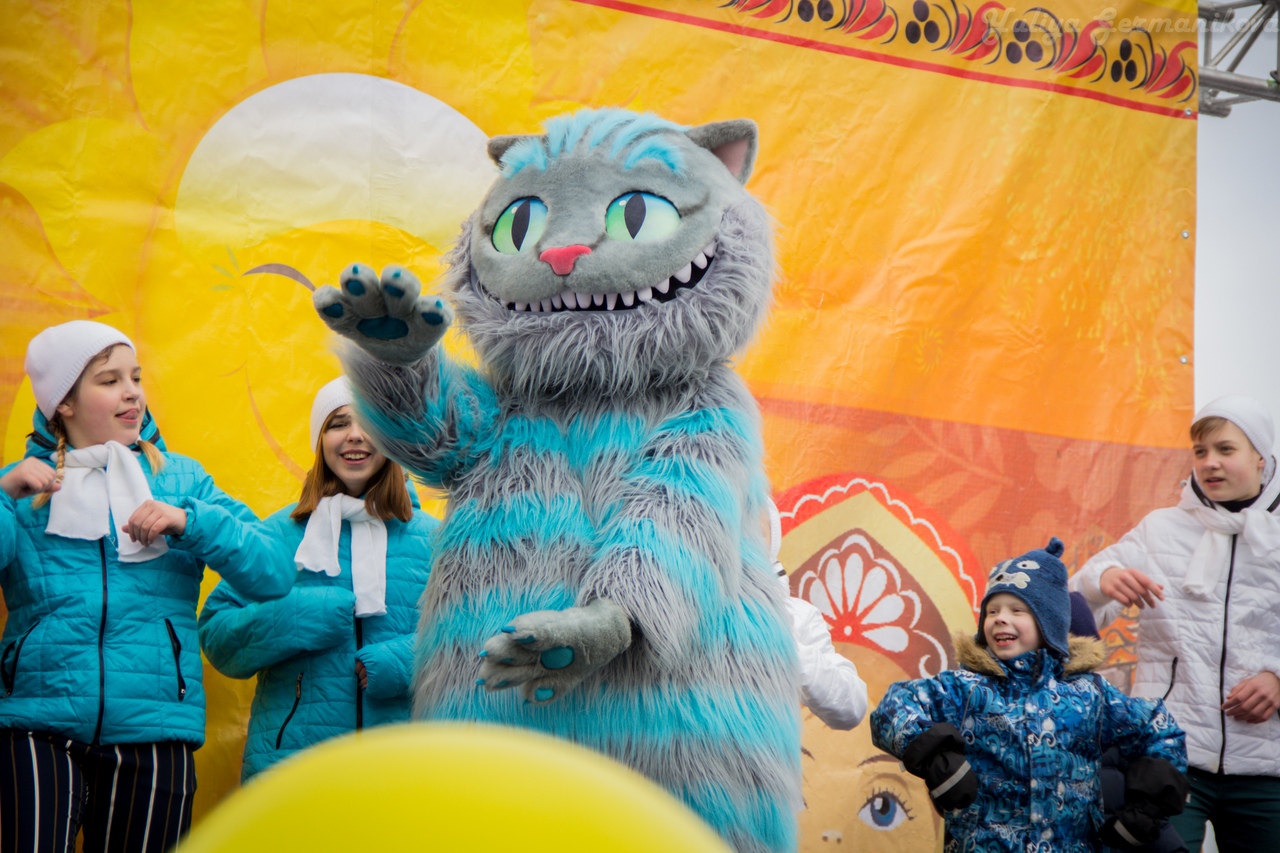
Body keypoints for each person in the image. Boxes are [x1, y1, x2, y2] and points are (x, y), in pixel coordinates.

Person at [0, 321, 293, 853]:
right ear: (63, 402)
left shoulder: (182, 481)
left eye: (135, 377)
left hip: (156, 728)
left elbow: (274, 572)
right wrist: (0, 495)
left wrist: (191, 521)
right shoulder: (21, 484)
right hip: (36, 725)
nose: (132, 392)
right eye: (108, 380)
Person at [871, 538, 1189, 852]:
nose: (1000, 618)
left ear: (1049, 624)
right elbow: (893, 707)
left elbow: (1158, 726)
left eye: (1017, 610)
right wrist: (937, 759)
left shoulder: (1088, 694)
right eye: (992, 610)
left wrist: (1148, 806)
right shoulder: (964, 688)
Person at [198, 378, 437, 781]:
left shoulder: (435, 540)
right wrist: (298, 616)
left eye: (371, 422)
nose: (356, 436)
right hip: (292, 770)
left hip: (405, 768)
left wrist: (400, 662)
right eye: (339, 423)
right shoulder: (278, 534)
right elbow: (218, 637)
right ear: (320, 439)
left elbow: (476, 641)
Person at [1070, 395, 1280, 852]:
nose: (1210, 463)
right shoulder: (1161, 529)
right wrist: (1104, 580)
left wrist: (1278, 679)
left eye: (1226, 450)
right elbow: (1076, 601)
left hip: (1269, 767)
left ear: (1262, 458)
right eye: (1201, 452)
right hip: (1167, 756)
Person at [766, 499, 867, 730]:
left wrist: (782, 646)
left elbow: (851, 708)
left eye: (754, 529)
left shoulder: (798, 616)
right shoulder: (678, 613)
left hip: (763, 762)